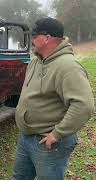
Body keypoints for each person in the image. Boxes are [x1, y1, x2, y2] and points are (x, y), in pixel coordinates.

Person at [13, 17, 95, 179]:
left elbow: (83, 105)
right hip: (26, 137)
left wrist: (57, 134)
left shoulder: (68, 66)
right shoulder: (35, 62)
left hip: (48, 144)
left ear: (47, 38)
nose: (31, 40)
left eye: (34, 36)